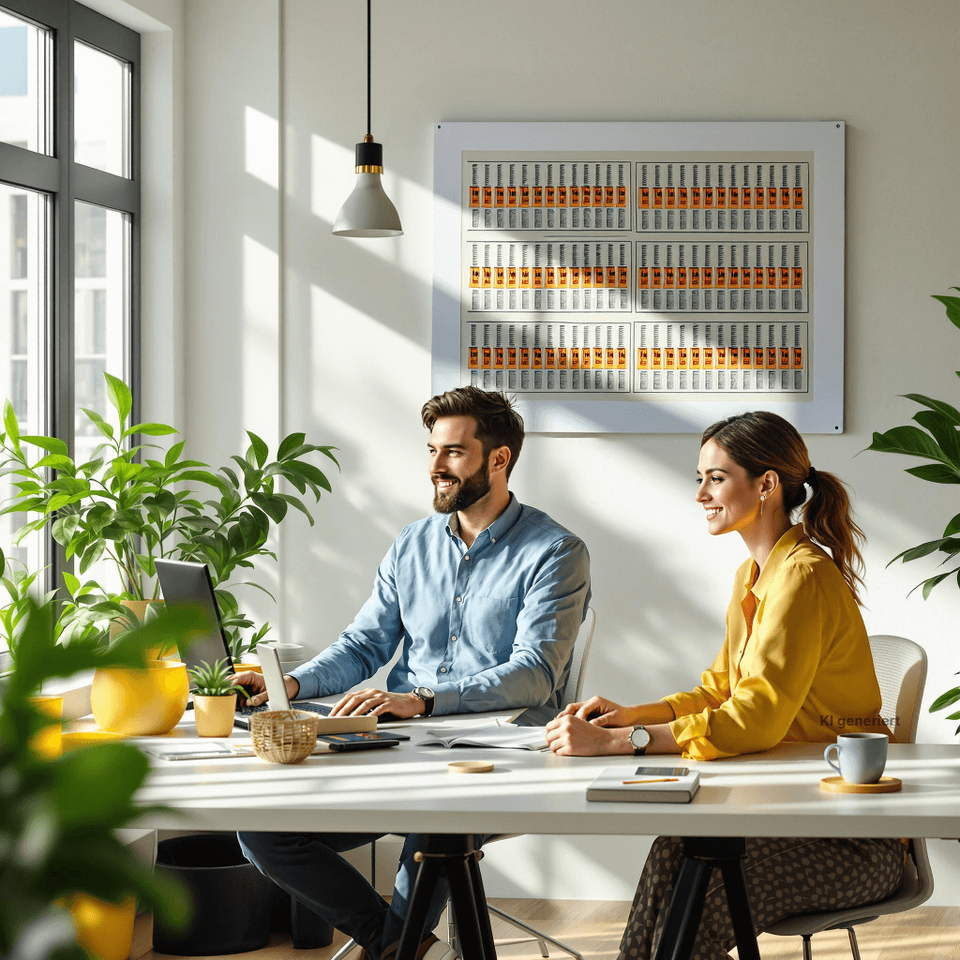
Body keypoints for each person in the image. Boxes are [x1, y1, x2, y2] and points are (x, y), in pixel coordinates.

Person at [237, 385, 591, 960]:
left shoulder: (555, 551)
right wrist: (292, 684)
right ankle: (402, 945)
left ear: (498, 459)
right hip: (396, 743)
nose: (435, 467)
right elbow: (363, 644)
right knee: (262, 829)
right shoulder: (412, 543)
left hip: (494, 757)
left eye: (452, 452)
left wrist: (423, 700)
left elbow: (535, 675)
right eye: (431, 451)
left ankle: (398, 946)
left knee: (436, 828)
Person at [545, 410, 902, 960]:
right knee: (673, 851)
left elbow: (754, 719)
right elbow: (719, 690)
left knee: (698, 907)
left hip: (849, 839)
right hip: (784, 812)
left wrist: (620, 745)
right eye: (699, 479)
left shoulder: (802, 576)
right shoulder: (754, 575)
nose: (701, 495)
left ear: (766, 485)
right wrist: (628, 717)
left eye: (716, 478)